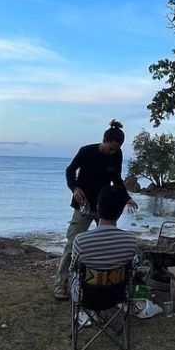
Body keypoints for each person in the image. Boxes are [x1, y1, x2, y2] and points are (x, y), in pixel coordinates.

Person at [54, 120, 137, 300]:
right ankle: (61, 284)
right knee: (71, 245)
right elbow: (70, 171)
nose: (112, 152)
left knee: (108, 242)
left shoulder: (117, 155)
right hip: (83, 205)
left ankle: (108, 282)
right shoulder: (87, 151)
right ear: (104, 140)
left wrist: (126, 197)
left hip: (104, 206)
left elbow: (116, 178)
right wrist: (74, 188)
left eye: (116, 149)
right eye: (110, 148)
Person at [68, 184, 139, 302]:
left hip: (85, 296)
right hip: (117, 295)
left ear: (97, 206)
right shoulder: (130, 240)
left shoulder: (81, 240)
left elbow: (73, 268)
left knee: (77, 275)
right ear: (120, 212)